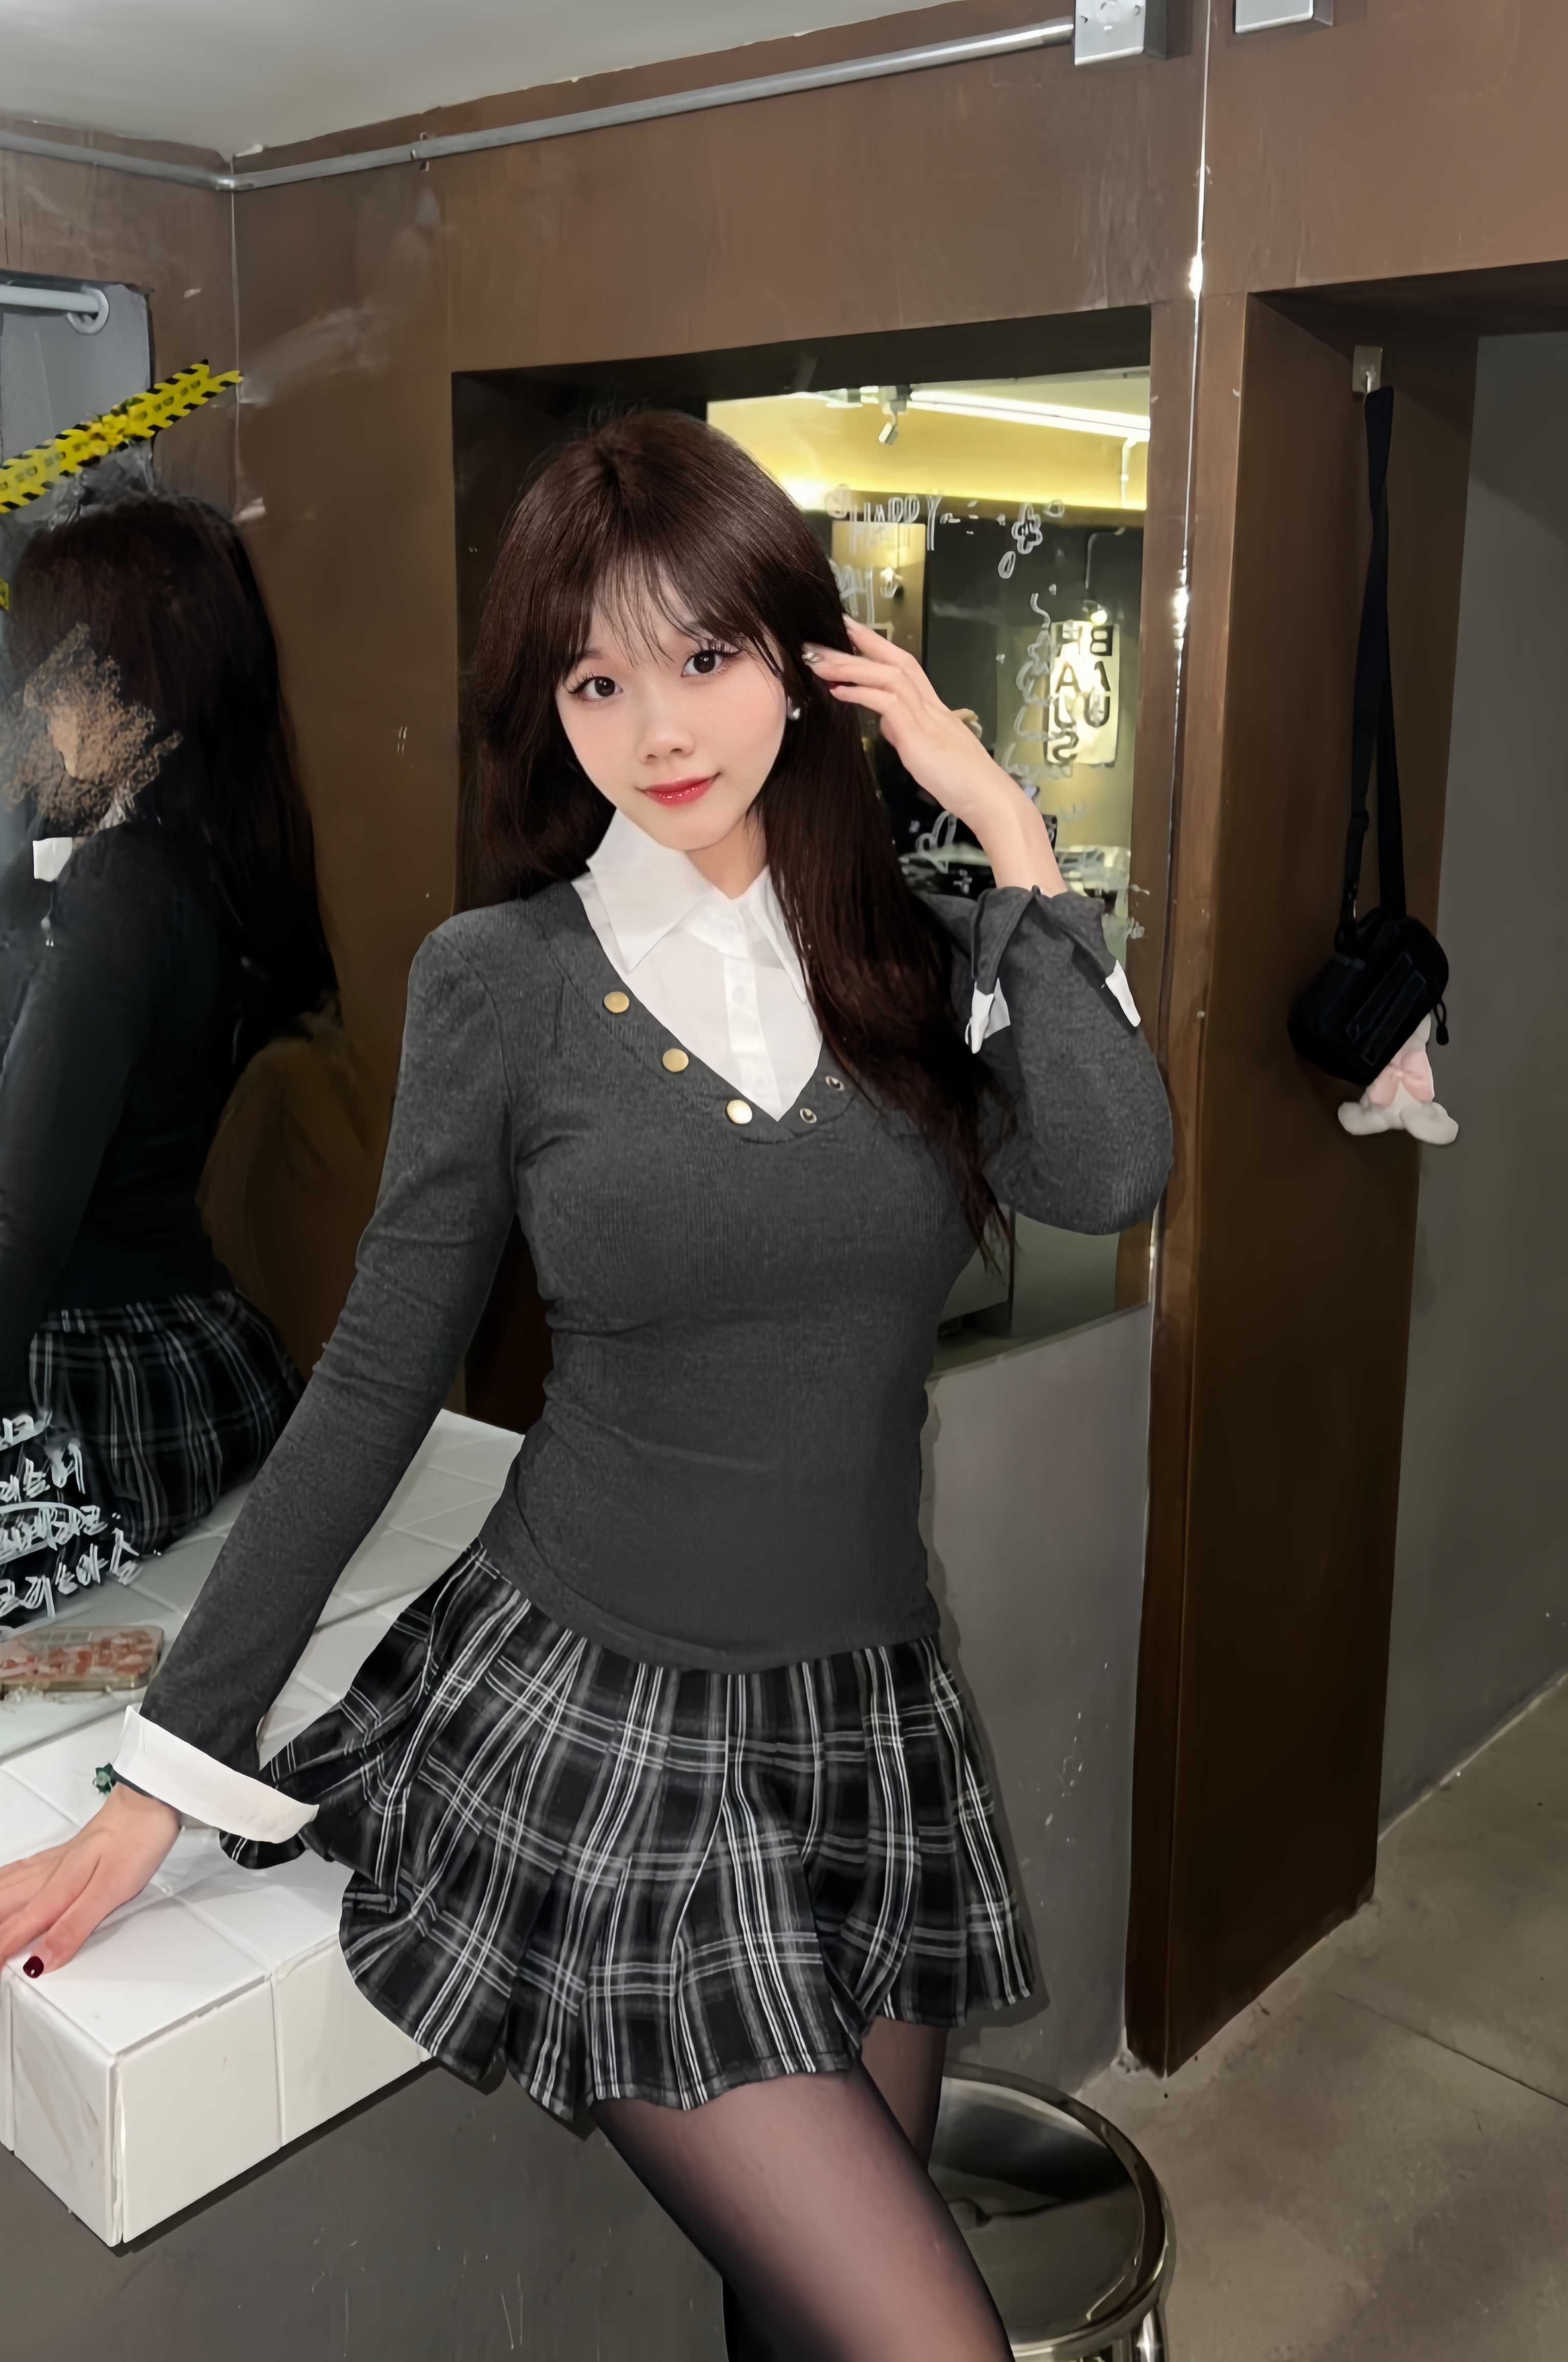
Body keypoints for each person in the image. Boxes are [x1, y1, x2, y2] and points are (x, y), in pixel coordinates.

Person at [0, 415, 1171, 2359]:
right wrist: (162, 1780)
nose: (658, 727)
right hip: (608, 1735)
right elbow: (376, 1375)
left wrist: (1007, 825)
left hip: (863, 1716)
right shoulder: (505, 979)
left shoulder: (914, 958)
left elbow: (1113, 1171)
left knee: (801, 2318)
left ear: (806, 656)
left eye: (704, 654)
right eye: (595, 678)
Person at [0, 491, 334, 1627]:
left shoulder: (123, 886)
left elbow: (20, 1222)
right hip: (170, 1348)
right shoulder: (191, 858)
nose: (32, 701)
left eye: (48, 669)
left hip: (96, 1382)